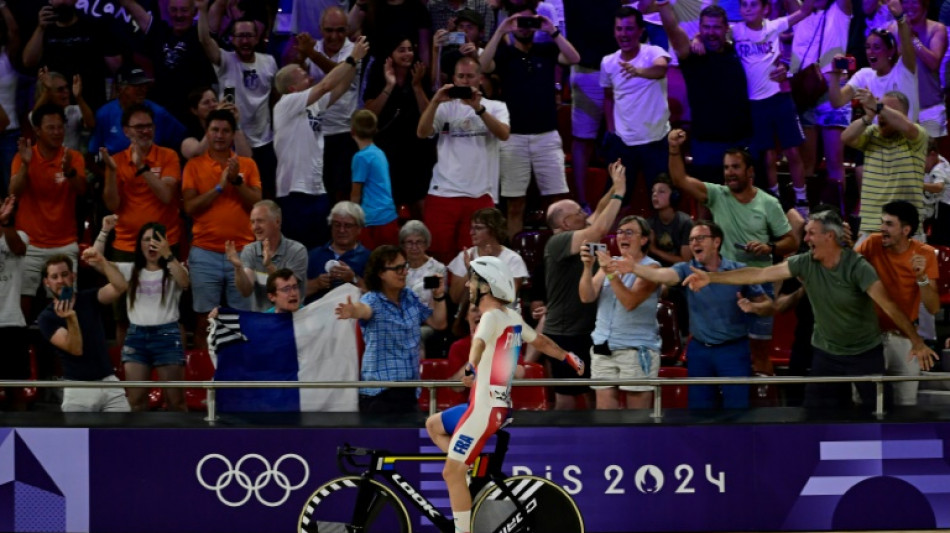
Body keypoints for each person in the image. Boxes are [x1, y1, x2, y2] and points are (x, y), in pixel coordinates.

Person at [681, 209, 938, 408]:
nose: (805, 239)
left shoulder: (857, 267)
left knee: (880, 412)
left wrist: (916, 341)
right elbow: (759, 274)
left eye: (811, 233)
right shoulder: (805, 263)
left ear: (830, 236)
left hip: (864, 353)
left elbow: (889, 306)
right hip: (826, 353)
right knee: (814, 413)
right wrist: (711, 278)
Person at [423, 256, 583, 533]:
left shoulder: (491, 316)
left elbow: (479, 342)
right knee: (433, 425)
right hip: (493, 409)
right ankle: (469, 467)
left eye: (473, 282)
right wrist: (567, 356)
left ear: (486, 286)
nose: (469, 287)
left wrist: (471, 367)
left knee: (451, 472)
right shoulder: (512, 317)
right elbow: (542, 342)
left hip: (483, 411)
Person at [668, 128, 796, 374]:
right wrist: (675, 149)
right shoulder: (717, 195)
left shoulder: (768, 203)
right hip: (726, 285)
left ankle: (764, 407)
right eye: (726, 168)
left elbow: (790, 241)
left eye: (735, 167)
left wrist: (769, 248)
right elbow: (680, 180)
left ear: (750, 172)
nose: (729, 173)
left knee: (760, 354)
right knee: (727, 349)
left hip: (759, 285)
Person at [618, 221, 772, 408]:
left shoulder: (738, 270)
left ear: (716, 242)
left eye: (700, 238)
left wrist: (754, 308)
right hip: (700, 351)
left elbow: (768, 305)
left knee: (737, 411)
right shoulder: (686, 269)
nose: (694, 243)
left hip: (733, 350)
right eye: (691, 240)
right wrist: (635, 268)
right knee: (699, 413)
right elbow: (665, 275)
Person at [479, 8, 579, 237]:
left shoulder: (547, 49)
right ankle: (514, 260)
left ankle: (558, 256)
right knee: (515, 205)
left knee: (557, 204)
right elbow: (483, 66)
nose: (524, 26)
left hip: (547, 135)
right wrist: (501, 30)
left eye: (529, 22)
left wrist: (552, 30)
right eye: (519, 21)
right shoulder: (504, 54)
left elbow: (574, 58)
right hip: (513, 138)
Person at [541, 159, 627, 410]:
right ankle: (561, 445)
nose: (585, 215)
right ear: (566, 223)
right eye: (579, 213)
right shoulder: (557, 243)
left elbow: (599, 211)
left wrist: (613, 185)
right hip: (565, 334)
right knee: (567, 399)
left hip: (586, 330)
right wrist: (620, 192)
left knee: (593, 394)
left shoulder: (574, 232)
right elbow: (599, 227)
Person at [272, 36, 369, 250]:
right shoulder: (286, 104)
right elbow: (326, 85)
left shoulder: (313, 105)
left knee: (319, 248)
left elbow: (342, 86)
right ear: (292, 88)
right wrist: (351, 58)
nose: (310, 78)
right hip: (294, 191)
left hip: (317, 188)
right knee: (297, 250)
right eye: (304, 76)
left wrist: (357, 60)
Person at [417, 56, 511, 264]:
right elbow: (422, 132)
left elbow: (504, 134)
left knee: (475, 259)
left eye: (470, 76)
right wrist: (435, 101)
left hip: (480, 194)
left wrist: (479, 108)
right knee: (437, 257)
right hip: (443, 192)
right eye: (461, 76)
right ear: (454, 79)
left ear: (480, 78)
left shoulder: (495, 107)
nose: (466, 81)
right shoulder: (444, 107)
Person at [182, 108, 262, 348]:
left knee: (244, 318)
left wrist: (236, 181)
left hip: (243, 253)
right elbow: (190, 207)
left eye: (226, 130)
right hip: (205, 252)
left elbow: (258, 203)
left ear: (233, 134)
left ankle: (242, 377)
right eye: (215, 130)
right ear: (207, 132)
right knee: (204, 320)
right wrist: (218, 187)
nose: (220, 135)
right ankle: (203, 378)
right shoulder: (193, 166)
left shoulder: (247, 165)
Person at [335, 245, 448, 413]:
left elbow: (439, 323)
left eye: (404, 266)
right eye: (397, 268)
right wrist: (353, 310)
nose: (404, 272)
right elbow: (364, 309)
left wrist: (438, 296)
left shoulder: (409, 297)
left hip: (409, 390)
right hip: (381, 394)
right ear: (381, 273)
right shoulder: (373, 300)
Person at [94, 217, 190, 412]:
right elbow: (95, 261)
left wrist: (169, 255)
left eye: (156, 239)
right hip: (136, 337)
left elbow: (185, 282)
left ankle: (180, 441)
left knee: (176, 402)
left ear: (165, 242)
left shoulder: (173, 269)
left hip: (168, 336)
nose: (151, 243)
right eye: (146, 239)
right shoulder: (129, 270)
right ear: (139, 244)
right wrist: (104, 231)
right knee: (135, 401)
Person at [657, 3, 753, 190]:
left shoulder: (738, 50)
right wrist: (662, 5)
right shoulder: (692, 55)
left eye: (716, 27)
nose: (711, 32)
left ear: (726, 28)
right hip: (706, 142)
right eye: (706, 27)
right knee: (706, 200)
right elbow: (672, 29)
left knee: (743, 198)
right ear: (700, 28)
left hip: (741, 139)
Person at [855, 201, 939, 405]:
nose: (882, 228)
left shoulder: (925, 253)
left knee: (906, 407)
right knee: (862, 404)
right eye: (882, 222)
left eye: (889, 224)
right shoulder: (871, 244)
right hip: (869, 339)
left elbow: (933, 307)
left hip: (905, 339)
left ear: (906, 230)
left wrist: (921, 278)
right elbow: (847, 269)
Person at [732, 0, 813, 207]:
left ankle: (802, 201)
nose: (747, 9)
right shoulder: (735, 30)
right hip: (755, 104)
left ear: (765, 9)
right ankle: (774, 201)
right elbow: (708, 34)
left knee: (793, 151)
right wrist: (696, 37)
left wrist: (785, 66)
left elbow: (804, 10)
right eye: (744, 5)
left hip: (779, 98)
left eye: (753, 5)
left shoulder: (774, 26)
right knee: (768, 156)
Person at [578, 215, 661, 409]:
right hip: (603, 347)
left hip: (635, 349)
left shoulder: (652, 268)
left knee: (637, 421)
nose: (623, 236)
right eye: (620, 232)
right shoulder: (611, 262)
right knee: (605, 418)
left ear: (644, 239)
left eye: (630, 232)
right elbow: (586, 297)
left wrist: (610, 273)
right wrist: (588, 267)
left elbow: (630, 302)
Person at [197, 0, 278, 196]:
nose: (245, 41)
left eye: (249, 36)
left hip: (264, 142)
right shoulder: (225, 60)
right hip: (232, 142)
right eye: (240, 36)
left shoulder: (269, 62)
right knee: (235, 195)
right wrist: (202, 10)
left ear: (257, 38)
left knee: (264, 194)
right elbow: (205, 40)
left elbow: (275, 100)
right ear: (232, 39)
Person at [11, 104, 85, 316]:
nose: (57, 132)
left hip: (64, 244)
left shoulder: (73, 157)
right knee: (21, 306)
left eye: (60, 127)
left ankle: (64, 347)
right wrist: (25, 165)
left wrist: (69, 170)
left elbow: (82, 190)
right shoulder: (23, 156)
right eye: (51, 128)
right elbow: (13, 192)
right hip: (29, 244)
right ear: (37, 130)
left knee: (66, 306)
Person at [37, 251, 131, 412]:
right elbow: (75, 348)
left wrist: (103, 261)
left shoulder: (89, 298)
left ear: (73, 276)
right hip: (78, 388)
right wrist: (71, 318)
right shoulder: (47, 317)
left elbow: (121, 286)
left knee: (123, 435)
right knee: (77, 436)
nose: (60, 281)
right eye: (54, 277)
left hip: (108, 382)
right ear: (47, 282)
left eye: (65, 274)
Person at [294, 5, 362, 204]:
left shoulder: (355, 51)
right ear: (320, 29)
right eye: (329, 30)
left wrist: (311, 55)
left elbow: (340, 75)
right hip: (313, 133)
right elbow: (295, 83)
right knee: (316, 192)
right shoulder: (311, 48)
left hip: (344, 133)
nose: (334, 36)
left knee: (342, 193)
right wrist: (299, 56)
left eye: (340, 30)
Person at [601, 6, 671, 199]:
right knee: (616, 201)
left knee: (662, 201)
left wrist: (637, 71)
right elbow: (608, 97)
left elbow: (661, 70)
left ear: (640, 31)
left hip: (656, 141)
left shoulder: (653, 52)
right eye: (619, 29)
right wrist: (612, 130)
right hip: (623, 143)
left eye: (629, 29)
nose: (624, 34)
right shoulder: (608, 62)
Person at [363, 36, 436, 220]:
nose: (407, 54)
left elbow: (430, 116)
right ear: (390, 54)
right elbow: (370, 114)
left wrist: (417, 86)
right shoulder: (378, 76)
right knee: (390, 206)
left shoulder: (420, 74)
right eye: (401, 50)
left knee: (420, 206)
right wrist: (389, 85)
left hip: (417, 152)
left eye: (410, 49)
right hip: (388, 150)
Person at [790, 0, 853, 209]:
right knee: (807, 162)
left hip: (833, 87)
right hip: (805, 90)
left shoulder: (841, 9)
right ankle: (807, 216)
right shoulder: (800, 10)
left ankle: (837, 216)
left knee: (835, 162)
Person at [841, 90, 928, 238]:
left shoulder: (917, 134)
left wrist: (878, 105)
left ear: (904, 115)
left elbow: (907, 127)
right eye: (879, 109)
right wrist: (868, 116)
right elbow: (846, 138)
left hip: (906, 230)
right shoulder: (871, 133)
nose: (881, 114)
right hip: (870, 227)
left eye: (887, 109)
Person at [116, 0, 219, 123]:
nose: (179, 15)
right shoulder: (159, 31)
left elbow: (219, 6)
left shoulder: (202, 35)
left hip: (194, 115)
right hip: (163, 113)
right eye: (174, 10)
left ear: (194, 11)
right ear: (168, 11)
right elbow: (130, 4)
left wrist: (203, 7)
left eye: (184, 10)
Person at [828, 0, 919, 122]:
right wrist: (834, 75)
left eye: (876, 48)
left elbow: (907, 44)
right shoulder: (864, 75)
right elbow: (837, 102)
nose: (870, 52)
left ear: (891, 51)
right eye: (867, 47)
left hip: (906, 137)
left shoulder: (905, 69)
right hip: (877, 139)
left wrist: (900, 19)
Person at [22, 0, 121, 111]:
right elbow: (28, 62)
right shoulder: (44, 30)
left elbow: (118, 69)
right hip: (56, 112)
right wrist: (40, 29)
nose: (62, 1)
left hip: (91, 106)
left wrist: (112, 104)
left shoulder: (94, 27)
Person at [225, 200, 308, 312]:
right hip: (262, 320)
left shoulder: (297, 251)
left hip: (292, 319)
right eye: (252, 222)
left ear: (277, 222)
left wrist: (269, 265)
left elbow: (287, 288)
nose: (255, 227)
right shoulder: (250, 250)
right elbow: (246, 291)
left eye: (260, 221)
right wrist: (238, 268)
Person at [87, 66, 186, 156]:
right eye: (136, 86)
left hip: (153, 171)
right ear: (120, 88)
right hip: (118, 171)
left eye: (144, 85)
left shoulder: (159, 113)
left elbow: (183, 140)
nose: (142, 90)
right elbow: (94, 153)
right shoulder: (104, 114)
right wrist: (107, 173)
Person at [447, 208, 529, 303]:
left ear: (493, 230)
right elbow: (455, 298)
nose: (471, 233)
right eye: (471, 228)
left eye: (478, 228)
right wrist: (471, 270)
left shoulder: (513, 259)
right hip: (471, 314)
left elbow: (507, 298)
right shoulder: (464, 257)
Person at [350, 109, 399, 249]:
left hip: (372, 220)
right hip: (389, 216)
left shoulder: (360, 157)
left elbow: (355, 194)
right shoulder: (379, 153)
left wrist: (352, 220)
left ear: (352, 131)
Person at [306, 201, 371, 302]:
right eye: (337, 225)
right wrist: (317, 283)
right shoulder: (314, 255)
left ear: (359, 229)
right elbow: (296, 294)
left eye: (347, 226)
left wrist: (354, 279)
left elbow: (376, 298)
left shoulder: (369, 258)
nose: (341, 230)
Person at [0, 196, 29, 411]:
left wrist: (5, 223)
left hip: (11, 322)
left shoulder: (19, 236)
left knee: (16, 392)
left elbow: (18, 249)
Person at [32, 68, 95, 152]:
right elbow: (35, 117)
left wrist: (79, 98)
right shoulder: (40, 114)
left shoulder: (75, 110)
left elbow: (91, 124)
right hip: (48, 162)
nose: (66, 91)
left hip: (72, 160)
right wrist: (47, 90)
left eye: (66, 88)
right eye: (60, 90)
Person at [180, 87, 252, 159]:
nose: (213, 105)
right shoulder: (189, 135)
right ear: (194, 110)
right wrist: (214, 118)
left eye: (214, 101)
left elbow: (246, 157)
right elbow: (198, 155)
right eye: (206, 103)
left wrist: (235, 123)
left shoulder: (228, 129)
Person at [401, 220, 447, 310]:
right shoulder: (398, 268)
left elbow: (436, 302)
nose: (414, 247)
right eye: (409, 242)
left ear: (426, 244)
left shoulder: (437, 269)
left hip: (429, 318)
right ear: (403, 245)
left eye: (419, 242)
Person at [647, 176, 692, 266]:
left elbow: (686, 261)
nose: (655, 195)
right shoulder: (649, 223)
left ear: (674, 196)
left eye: (661, 191)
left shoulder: (685, 223)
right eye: (653, 191)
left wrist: (654, 250)